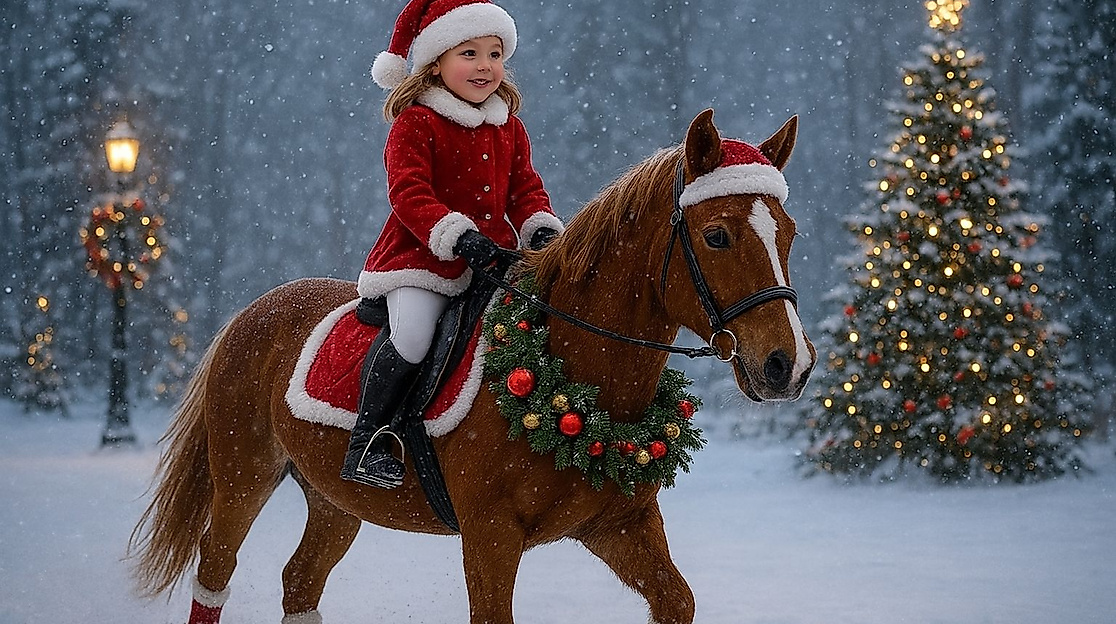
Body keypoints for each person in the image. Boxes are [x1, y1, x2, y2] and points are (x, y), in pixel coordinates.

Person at [341, 0, 564, 488]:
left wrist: (539, 227)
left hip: (497, 258)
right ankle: (370, 439)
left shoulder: (509, 126)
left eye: (494, 54)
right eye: (469, 53)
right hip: (420, 260)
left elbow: (525, 187)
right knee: (414, 335)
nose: (485, 66)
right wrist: (457, 235)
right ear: (435, 61)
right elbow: (409, 193)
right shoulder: (416, 123)